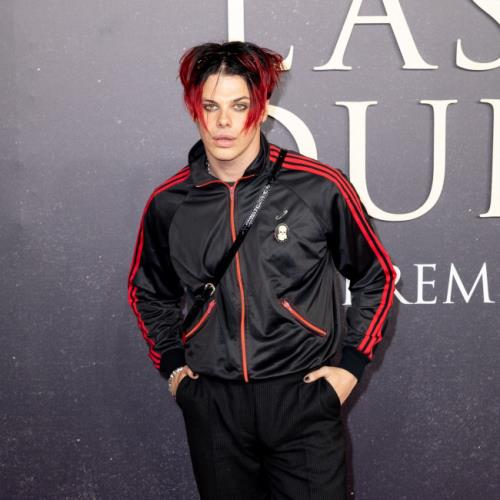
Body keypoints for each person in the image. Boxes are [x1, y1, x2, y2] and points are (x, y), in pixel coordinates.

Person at [127, 41, 397, 500]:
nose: (224, 122)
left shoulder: (318, 186)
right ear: (194, 109)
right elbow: (148, 293)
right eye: (211, 106)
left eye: (239, 106)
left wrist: (350, 368)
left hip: (303, 398)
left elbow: (377, 277)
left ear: (262, 108)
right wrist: (175, 372)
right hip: (214, 406)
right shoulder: (168, 203)